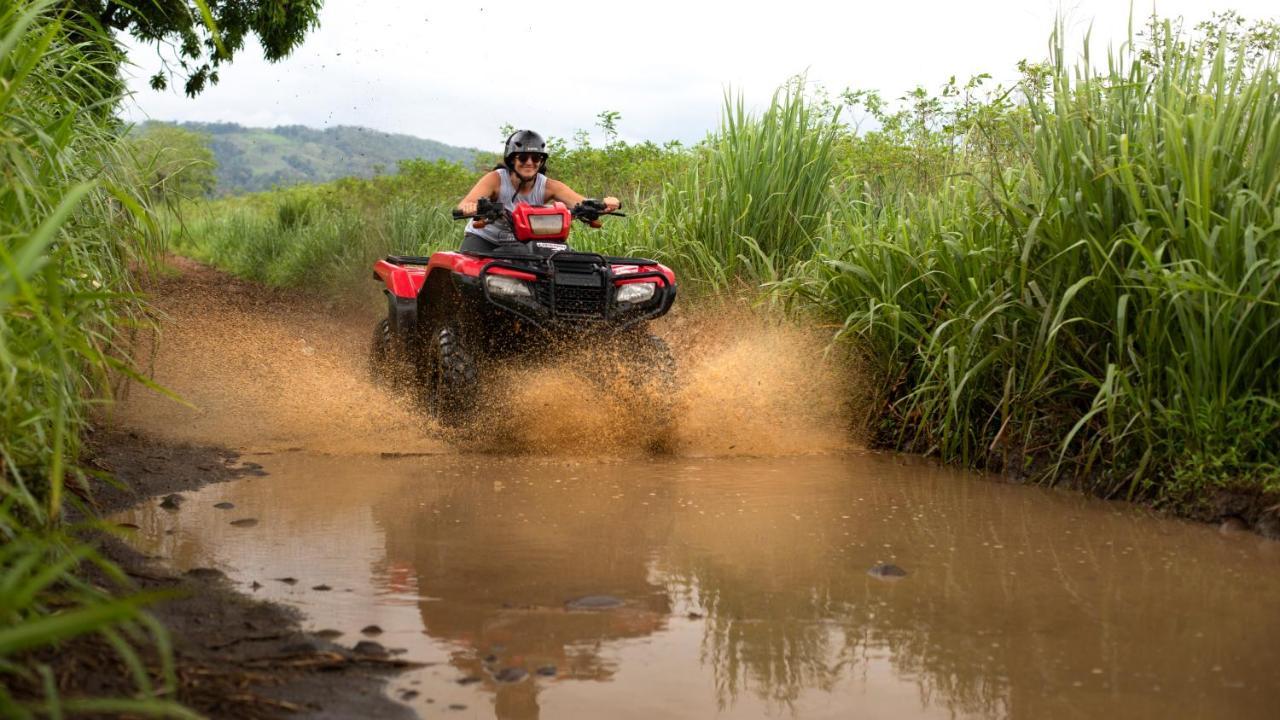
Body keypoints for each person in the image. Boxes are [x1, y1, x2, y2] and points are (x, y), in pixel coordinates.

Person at [456, 129, 620, 253]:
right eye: (523, 157)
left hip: (526, 242)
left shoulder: (549, 186)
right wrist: (472, 207)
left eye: (535, 158)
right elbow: (466, 204)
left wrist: (604, 204)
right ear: (512, 159)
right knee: (467, 272)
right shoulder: (495, 179)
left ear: (541, 161)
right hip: (487, 239)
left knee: (561, 264)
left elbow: (581, 202)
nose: (529, 163)